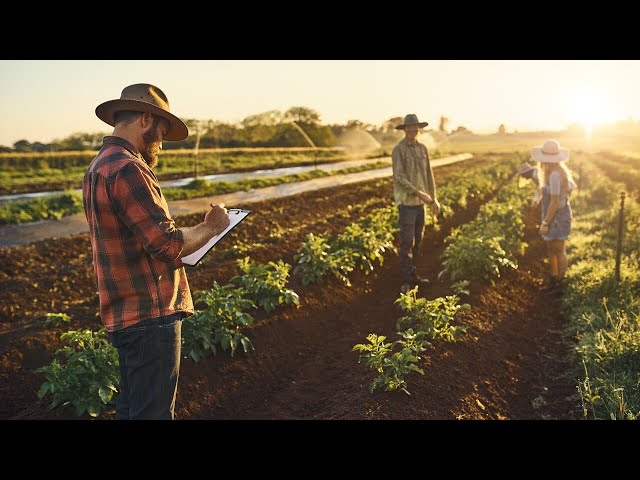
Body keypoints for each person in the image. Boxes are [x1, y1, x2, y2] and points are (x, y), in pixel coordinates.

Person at [83, 84, 230, 419]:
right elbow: (166, 244)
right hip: (151, 314)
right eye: (161, 133)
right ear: (146, 119)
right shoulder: (129, 168)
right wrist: (212, 226)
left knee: (133, 409)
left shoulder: (98, 167)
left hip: (125, 313)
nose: (161, 144)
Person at [391, 114, 441, 294]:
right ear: (404, 130)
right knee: (407, 242)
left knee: (418, 241)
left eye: (415, 128)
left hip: (421, 204)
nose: (413, 130)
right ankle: (405, 281)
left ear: (419, 129)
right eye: (409, 128)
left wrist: (433, 199)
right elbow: (399, 177)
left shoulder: (422, 149)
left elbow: (429, 175)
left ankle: (413, 276)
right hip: (407, 204)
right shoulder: (399, 150)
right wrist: (419, 193)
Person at [530, 139, 576, 291]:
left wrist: (545, 223)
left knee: (558, 249)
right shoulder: (552, 172)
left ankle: (560, 281)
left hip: (557, 218)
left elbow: (555, 202)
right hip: (554, 216)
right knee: (551, 249)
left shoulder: (555, 175)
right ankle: (554, 278)